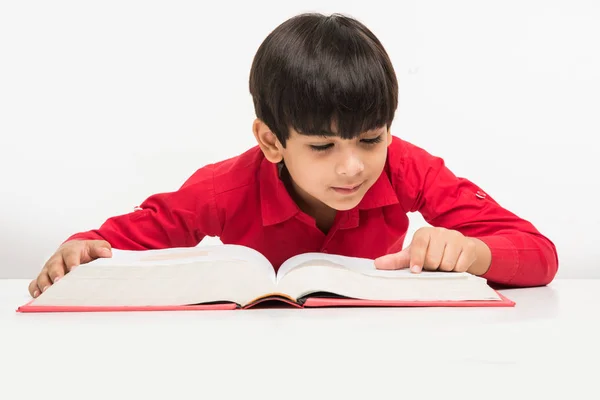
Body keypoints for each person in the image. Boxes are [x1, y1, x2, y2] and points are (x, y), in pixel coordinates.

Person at [28, 12, 558, 298]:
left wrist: (473, 253)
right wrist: (79, 248)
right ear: (271, 141)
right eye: (323, 146)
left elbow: (539, 254)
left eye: (370, 138)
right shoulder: (224, 188)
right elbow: (115, 239)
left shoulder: (406, 166)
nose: (353, 166)